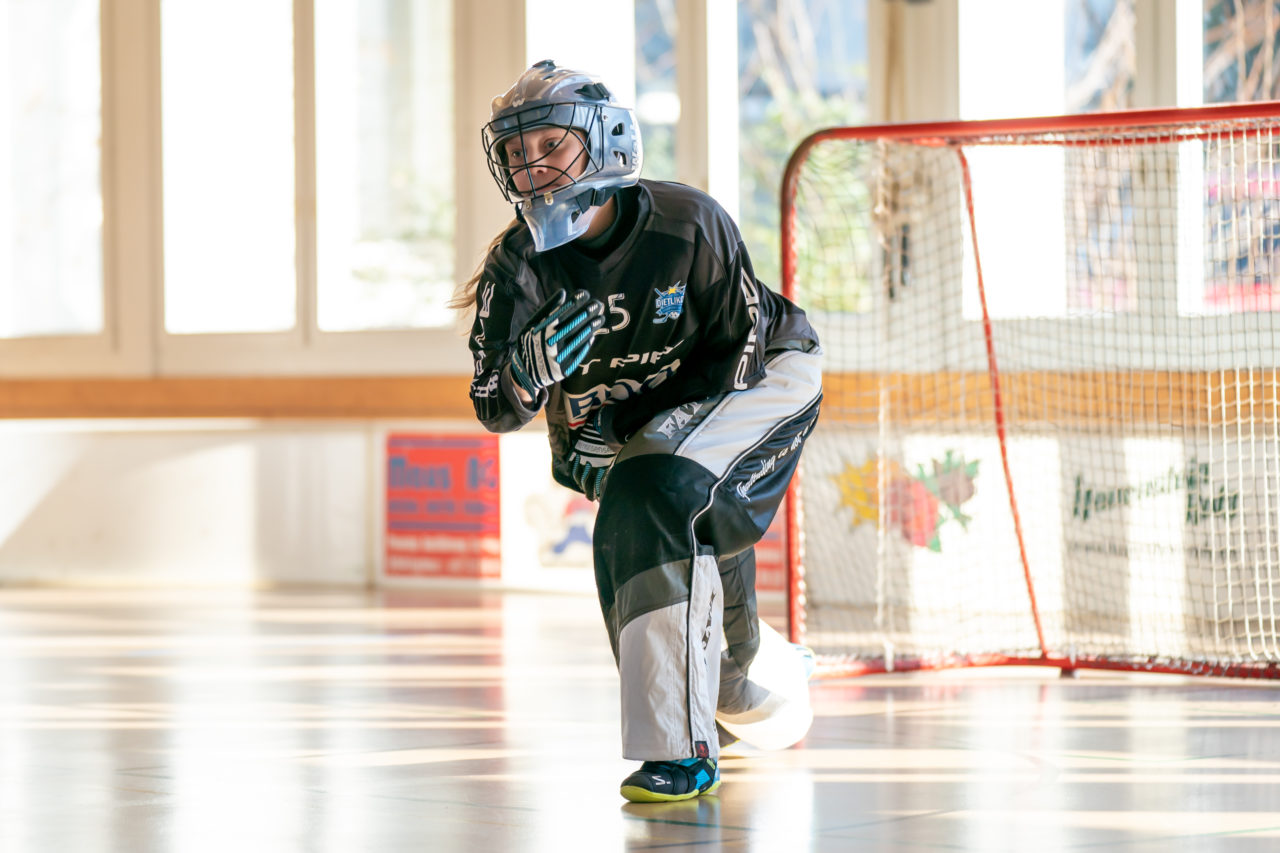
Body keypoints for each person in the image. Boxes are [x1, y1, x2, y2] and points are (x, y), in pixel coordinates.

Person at [454, 60, 822, 803]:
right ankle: (749, 684)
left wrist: (637, 431)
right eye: (517, 153)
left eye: (549, 144)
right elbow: (494, 404)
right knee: (724, 669)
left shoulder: (688, 222)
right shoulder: (517, 267)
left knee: (656, 486)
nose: (532, 166)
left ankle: (679, 751)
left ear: (609, 139)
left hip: (766, 378)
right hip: (648, 435)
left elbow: (739, 353)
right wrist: (525, 371)